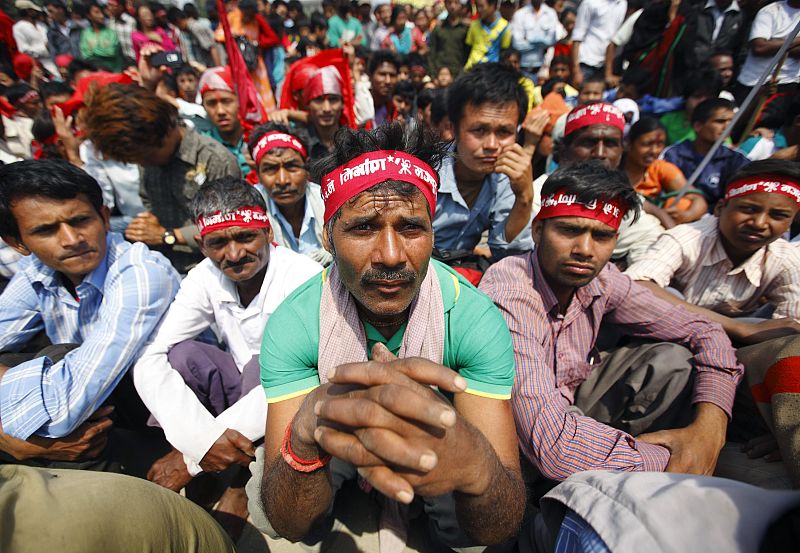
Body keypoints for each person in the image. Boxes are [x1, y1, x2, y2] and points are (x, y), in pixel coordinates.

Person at [247, 121, 525, 551]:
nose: (391, 256)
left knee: (474, 535)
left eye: (411, 228)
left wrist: (477, 466)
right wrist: (304, 433)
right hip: (337, 436)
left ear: (433, 232)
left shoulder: (473, 319)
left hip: (436, 437)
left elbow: (499, 524)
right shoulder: (296, 322)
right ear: (328, 237)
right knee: (272, 512)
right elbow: (289, 521)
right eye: (363, 228)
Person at [480, 160, 744, 483]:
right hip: (515, 438)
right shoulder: (512, 292)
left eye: (602, 236)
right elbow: (554, 450)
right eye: (569, 230)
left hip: (569, 403)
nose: (585, 250)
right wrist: (676, 458)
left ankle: (615, 461)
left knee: (674, 362)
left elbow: (704, 330)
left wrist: (710, 427)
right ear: (537, 231)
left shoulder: (603, 279)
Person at [134, 176, 321, 537]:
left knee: (261, 365)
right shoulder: (204, 276)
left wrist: (189, 460)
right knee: (182, 356)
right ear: (201, 245)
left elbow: (302, 378)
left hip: (289, 395)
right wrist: (197, 441)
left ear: (267, 232)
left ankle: (238, 479)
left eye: (246, 237)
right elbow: (151, 355)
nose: (233, 254)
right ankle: (217, 459)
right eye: (218, 243)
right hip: (238, 393)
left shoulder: (303, 276)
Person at [0, 160, 180, 472]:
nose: (72, 239)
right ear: (17, 243)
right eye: (46, 230)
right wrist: (9, 439)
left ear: (105, 218)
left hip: (157, 424)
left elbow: (64, 411)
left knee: (57, 361)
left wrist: (20, 438)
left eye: (81, 220)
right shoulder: (36, 271)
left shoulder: (140, 273)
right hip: (99, 409)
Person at [626, 159, 800, 346]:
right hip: (667, 339)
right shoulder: (686, 239)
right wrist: (739, 329)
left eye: (778, 215)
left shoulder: (786, 259)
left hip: (734, 346)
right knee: (665, 295)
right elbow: (638, 286)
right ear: (720, 208)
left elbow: (792, 326)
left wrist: (745, 329)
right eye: (748, 209)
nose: (759, 224)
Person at [82, 83, 241, 274]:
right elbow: (148, 203)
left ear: (166, 131)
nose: (143, 163)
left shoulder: (215, 161)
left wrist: (168, 236)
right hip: (161, 264)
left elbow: (230, 226)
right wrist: (145, 226)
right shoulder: (144, 154)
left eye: (147, 156)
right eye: (136, 160)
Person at [543, 103, 665, 266]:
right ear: (565, 149)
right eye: (588, 142)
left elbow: (653, 244)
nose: (600, 154)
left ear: (621, 151)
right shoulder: (538, 198)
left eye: (610, 143)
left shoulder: (622, 202)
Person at [247, 122, 331, 265]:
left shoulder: (327, 201)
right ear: (258, 174)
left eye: (291, 166)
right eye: (270, 169)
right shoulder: (249, 211)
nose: (282, 180)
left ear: (307, 168)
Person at [662, 98, 751, 208]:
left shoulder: (737, 160)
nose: (727, 127)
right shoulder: (673, 155)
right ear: (698, 126)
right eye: (720, 121)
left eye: (731, 122)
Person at [623, 117, 708, 225]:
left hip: (655, 225)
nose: (654, 151)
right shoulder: (615, 166)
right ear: (629, 143)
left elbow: (698, 199)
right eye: (647, 144)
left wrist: (686, 215)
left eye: (660, 144)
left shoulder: (660, 168)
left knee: (683, 204)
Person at [733, 0, 800, 105]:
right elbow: (759, 48)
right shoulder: (771, 11)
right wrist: (796, 41)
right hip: (754, 81)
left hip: (786, 82)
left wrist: (773, 43)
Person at [197, 66, 252, 179]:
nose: (220, 111)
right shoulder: (201, 147)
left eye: (226, 101)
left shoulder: (257, 136)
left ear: (240, 101)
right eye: (212, 103)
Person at [570, 0, 627, 87]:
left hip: (607, 66)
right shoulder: (589, 3)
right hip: (586, 62)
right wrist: (576, 70)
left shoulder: (622, 3)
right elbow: (577, 36)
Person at [302, 65, 345, 162]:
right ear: (308, 104)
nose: (327, 108)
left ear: (342, 104)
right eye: (319, 100)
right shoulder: (300, 142)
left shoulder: (353, 142)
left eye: (333, 99)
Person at [510, 0, 558, 77]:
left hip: (543, 68)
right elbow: (517, 44)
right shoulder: (520, 14)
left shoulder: (551, 13)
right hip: (523, 67)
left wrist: (528, 40)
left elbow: (552, 41)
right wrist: (541, 43)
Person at [12, 0, 57, 76]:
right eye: (34, 10)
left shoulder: (41, 25)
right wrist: (44, 48)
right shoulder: (18, 27)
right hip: (40, 65)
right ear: (29, 12)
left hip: (54, 60)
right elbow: (24, 50)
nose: (37, 12)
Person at [465, 0, 512, 70]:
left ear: (493, 6)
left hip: (492, 70)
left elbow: (504, 53)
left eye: (481, 6)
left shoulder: (505, 27)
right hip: (472, 69)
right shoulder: (474, 25)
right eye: (477, 6)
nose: (478, 10)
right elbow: (467, 49)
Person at [428, 0, 469, 79]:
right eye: (449, 3)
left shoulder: (466, 28)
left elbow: (468, 52)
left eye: (456, 3)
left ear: (461, 5)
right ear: (445, 5)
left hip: (459, 73)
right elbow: (432, 52)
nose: (452, 6)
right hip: (440, 73)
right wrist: (433, 75)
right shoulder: (438, 27)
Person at [79, 2, 124, 73]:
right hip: (95, 73)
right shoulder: (86, 33)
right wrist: (103, 51)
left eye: (101, 12)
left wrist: (93, 50)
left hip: (113, 73)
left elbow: (111, 52)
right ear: (89, 16)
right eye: (97, 12)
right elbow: (85, 55)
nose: (101, 15)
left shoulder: (111, 33)